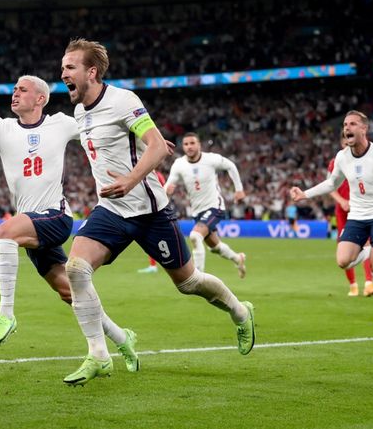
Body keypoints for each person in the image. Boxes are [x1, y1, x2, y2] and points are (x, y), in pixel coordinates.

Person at [60, 38, 255, 386]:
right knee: (76, 269)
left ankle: (241, 313)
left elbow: (156, 145)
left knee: (190, 283)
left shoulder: (123, 100)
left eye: (70, 67)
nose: (64, 74)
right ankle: (99, 355)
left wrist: (133, 178)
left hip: (150, 211)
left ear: (92, 72)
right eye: (62, 67)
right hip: (111, 210)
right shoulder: (79, 112)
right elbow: (133, 145)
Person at [0, 75, 139, 372]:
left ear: (40, 99)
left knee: (5, 231)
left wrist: (140, 137)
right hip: (32, 226)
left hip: (55, 216)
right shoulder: (2, 128)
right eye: (13, 89)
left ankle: (6, 313)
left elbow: (98, 132)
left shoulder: (62, 123)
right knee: (71, 294)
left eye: (22, 90)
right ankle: (122, 338)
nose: (14, 93)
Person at [290, 110, 373, 327]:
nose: (346, 127)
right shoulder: (342, 157)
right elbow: (331, 184)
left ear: (363, 129)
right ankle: (372, 247)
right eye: (344, 124)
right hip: (357, 215)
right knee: (342, 260)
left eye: (352, 124)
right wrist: (305, 194)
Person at [164, 132, 247, 278]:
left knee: (195, 236)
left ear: (199, 145)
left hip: (214, 206)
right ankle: (237, 258)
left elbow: (231, 166)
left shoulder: (211, 159)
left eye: (192, 143)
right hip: (197, 211)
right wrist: (167, 191)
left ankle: (198, 278)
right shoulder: (179, 164)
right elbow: (168, 187)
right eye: (186, 144)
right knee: (215, 247)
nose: (189, 147)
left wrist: (239, 189)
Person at [328, 134, 373, 297]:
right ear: (342, 143)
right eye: (345, 141)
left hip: (361, 209)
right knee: (345, 247)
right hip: (342, 211)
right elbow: (330, 187)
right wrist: (341, 201)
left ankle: (369, 283)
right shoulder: (336, 162)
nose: (348, 143)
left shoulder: (365, 161)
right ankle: (353, 285)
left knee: (367, 244)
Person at [138, 168, 167, 274]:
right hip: (149, 210)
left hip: (154, 211)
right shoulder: (149, 173)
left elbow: (162, 191)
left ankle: (156, 265)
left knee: (154, 239)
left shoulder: (155, 175)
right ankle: (153, 265)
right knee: (150, 239)